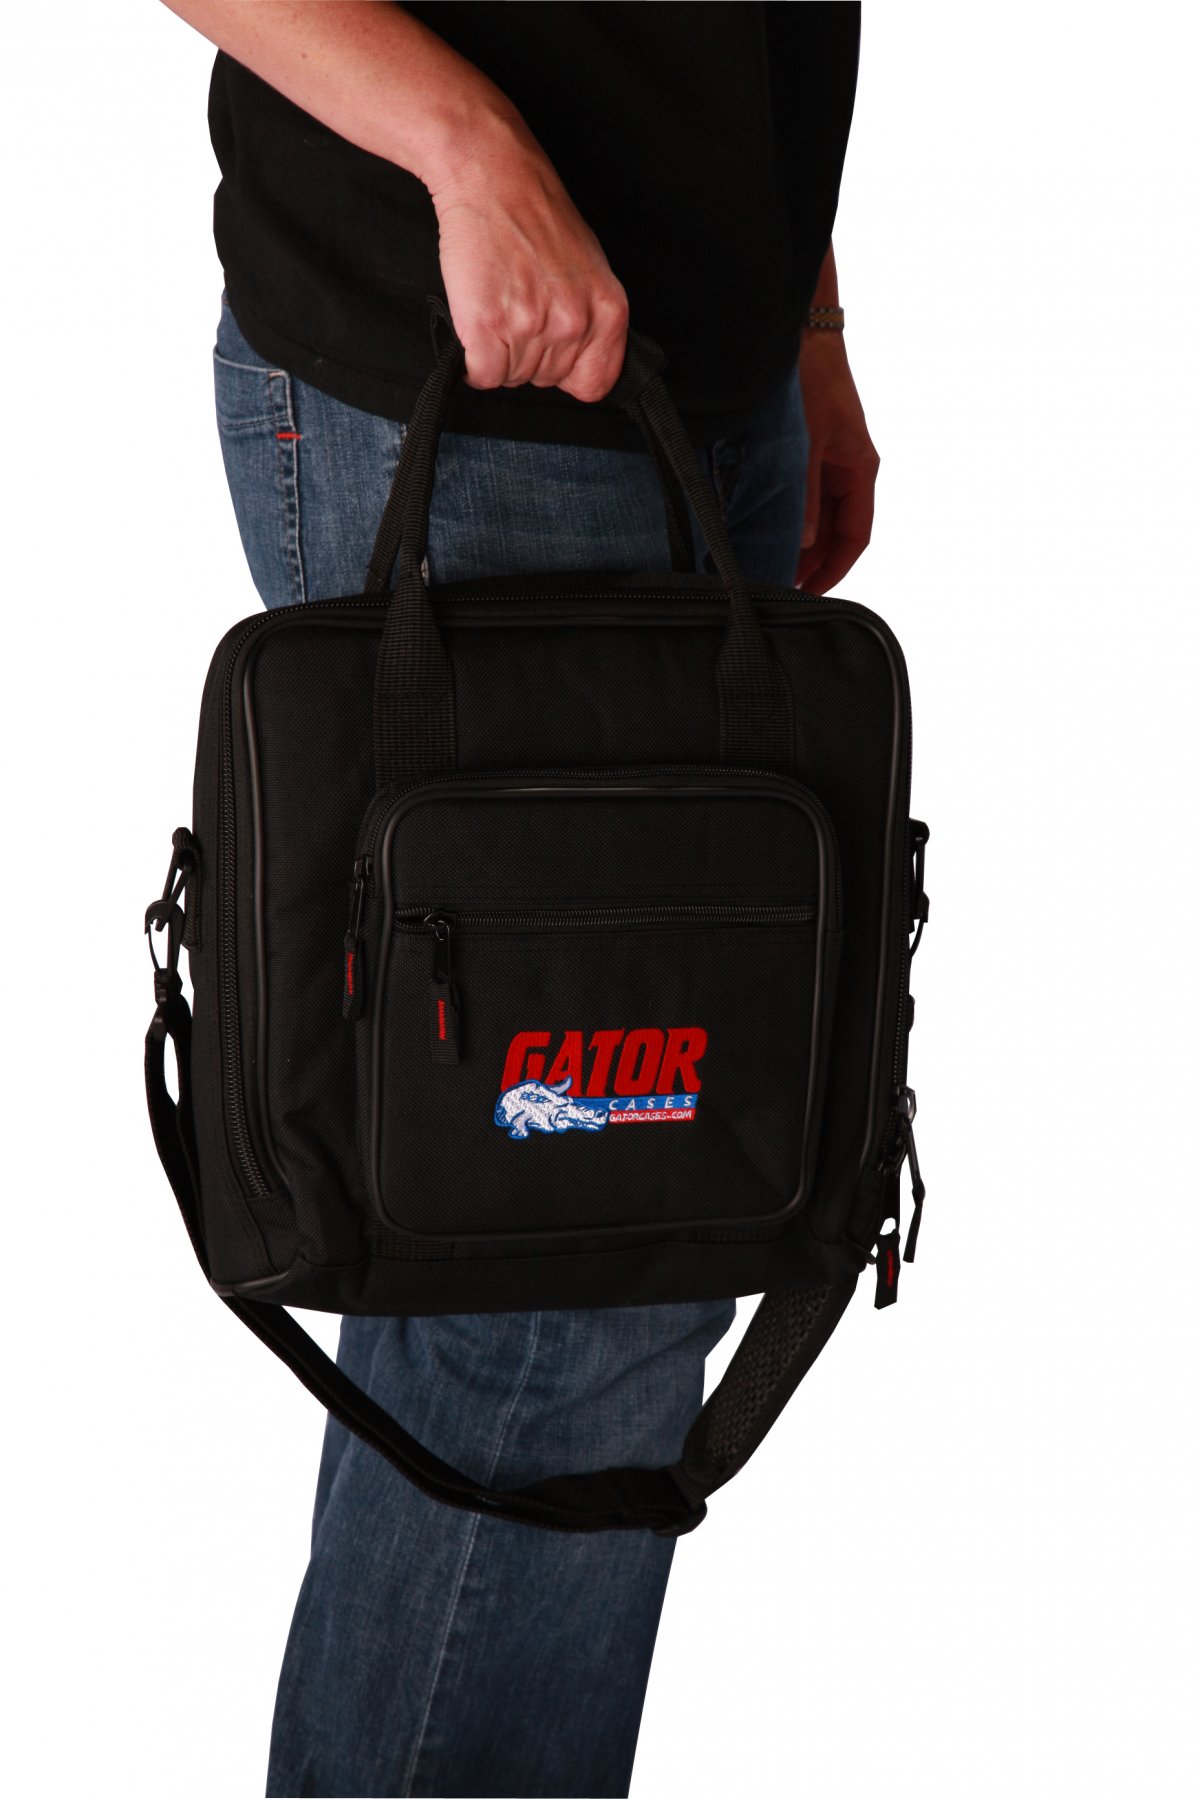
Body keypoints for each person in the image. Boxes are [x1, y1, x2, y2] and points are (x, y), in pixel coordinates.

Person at [163, 5, 876, 1794]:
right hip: (463, 366)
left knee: (610, 1250)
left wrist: (806, 316)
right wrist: (468, 148)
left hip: (708, 376)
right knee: (548, 1284)